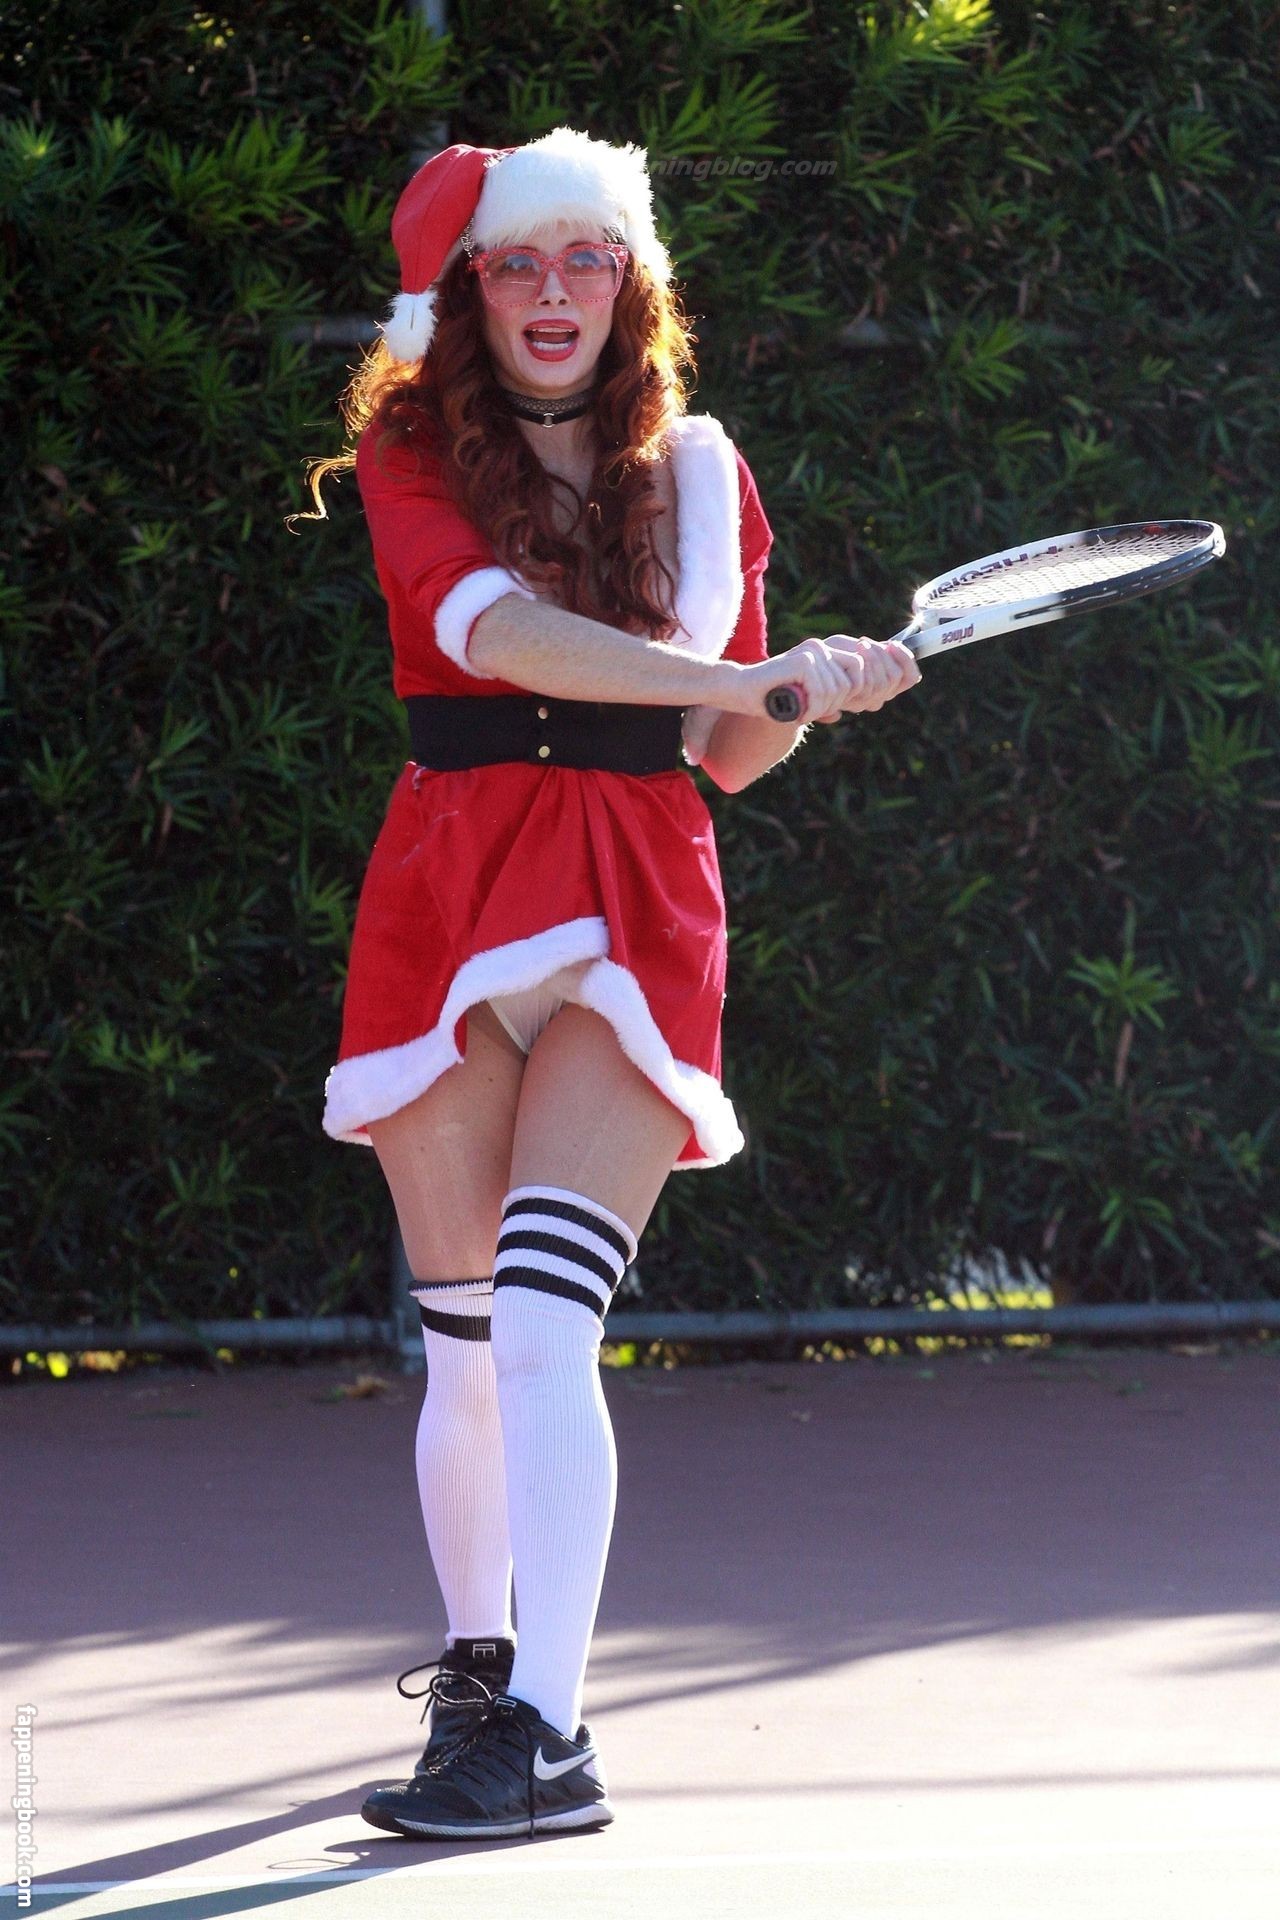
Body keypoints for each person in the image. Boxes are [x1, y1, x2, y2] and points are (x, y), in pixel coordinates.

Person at [299, 126, 920, 1842]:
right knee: (466, 1351)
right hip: (450, 899)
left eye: (587, 257)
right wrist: (745, 675)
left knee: (547, 1320)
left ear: (631, 283)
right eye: (519, 261)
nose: (554, 289)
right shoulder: (409, 452)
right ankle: (482, 1675)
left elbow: (724, 747)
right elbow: (494, 636)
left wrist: (808, 695)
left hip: (637, 909)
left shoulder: (705, 475)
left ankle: (553, 1738)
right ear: (472, 294)